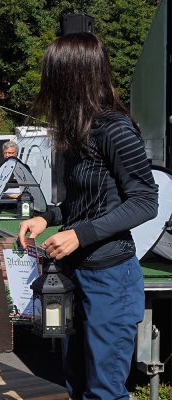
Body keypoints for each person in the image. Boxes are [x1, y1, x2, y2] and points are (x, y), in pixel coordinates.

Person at [18, 33, 158, 400]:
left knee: (104, 391)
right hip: (74, 276)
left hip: (110, 279)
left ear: (74, 77)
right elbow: (85, 201)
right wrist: (47, 217)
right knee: (76, 383)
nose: (48, 86)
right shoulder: (78, 130)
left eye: (53, 76)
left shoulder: (115, 129)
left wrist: (79, 235)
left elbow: (146, 201)